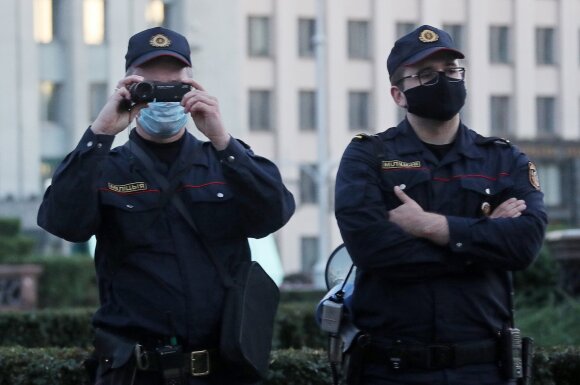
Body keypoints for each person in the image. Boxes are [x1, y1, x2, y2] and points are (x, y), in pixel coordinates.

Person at [37, 27, 295, 385]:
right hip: (135, 371)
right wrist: (100, 132)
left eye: (174, 88)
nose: (163, 99)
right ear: (129, 89)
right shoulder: (105, 166)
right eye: (150, 88)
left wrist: (222, 139)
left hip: (222, 370)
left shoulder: (225, 161)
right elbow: (62, 222)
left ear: (193, 89)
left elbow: (274, 214)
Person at [334, 25, 547, 385]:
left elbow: (524, 244)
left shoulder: (502, 157)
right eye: (427, 75)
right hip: (392, 368)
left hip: (483, 368)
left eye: (451, 72)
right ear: (398, 94)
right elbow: (372, 249)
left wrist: (430, 227)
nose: (445, 81)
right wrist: (483, 238)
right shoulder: (367, 156)